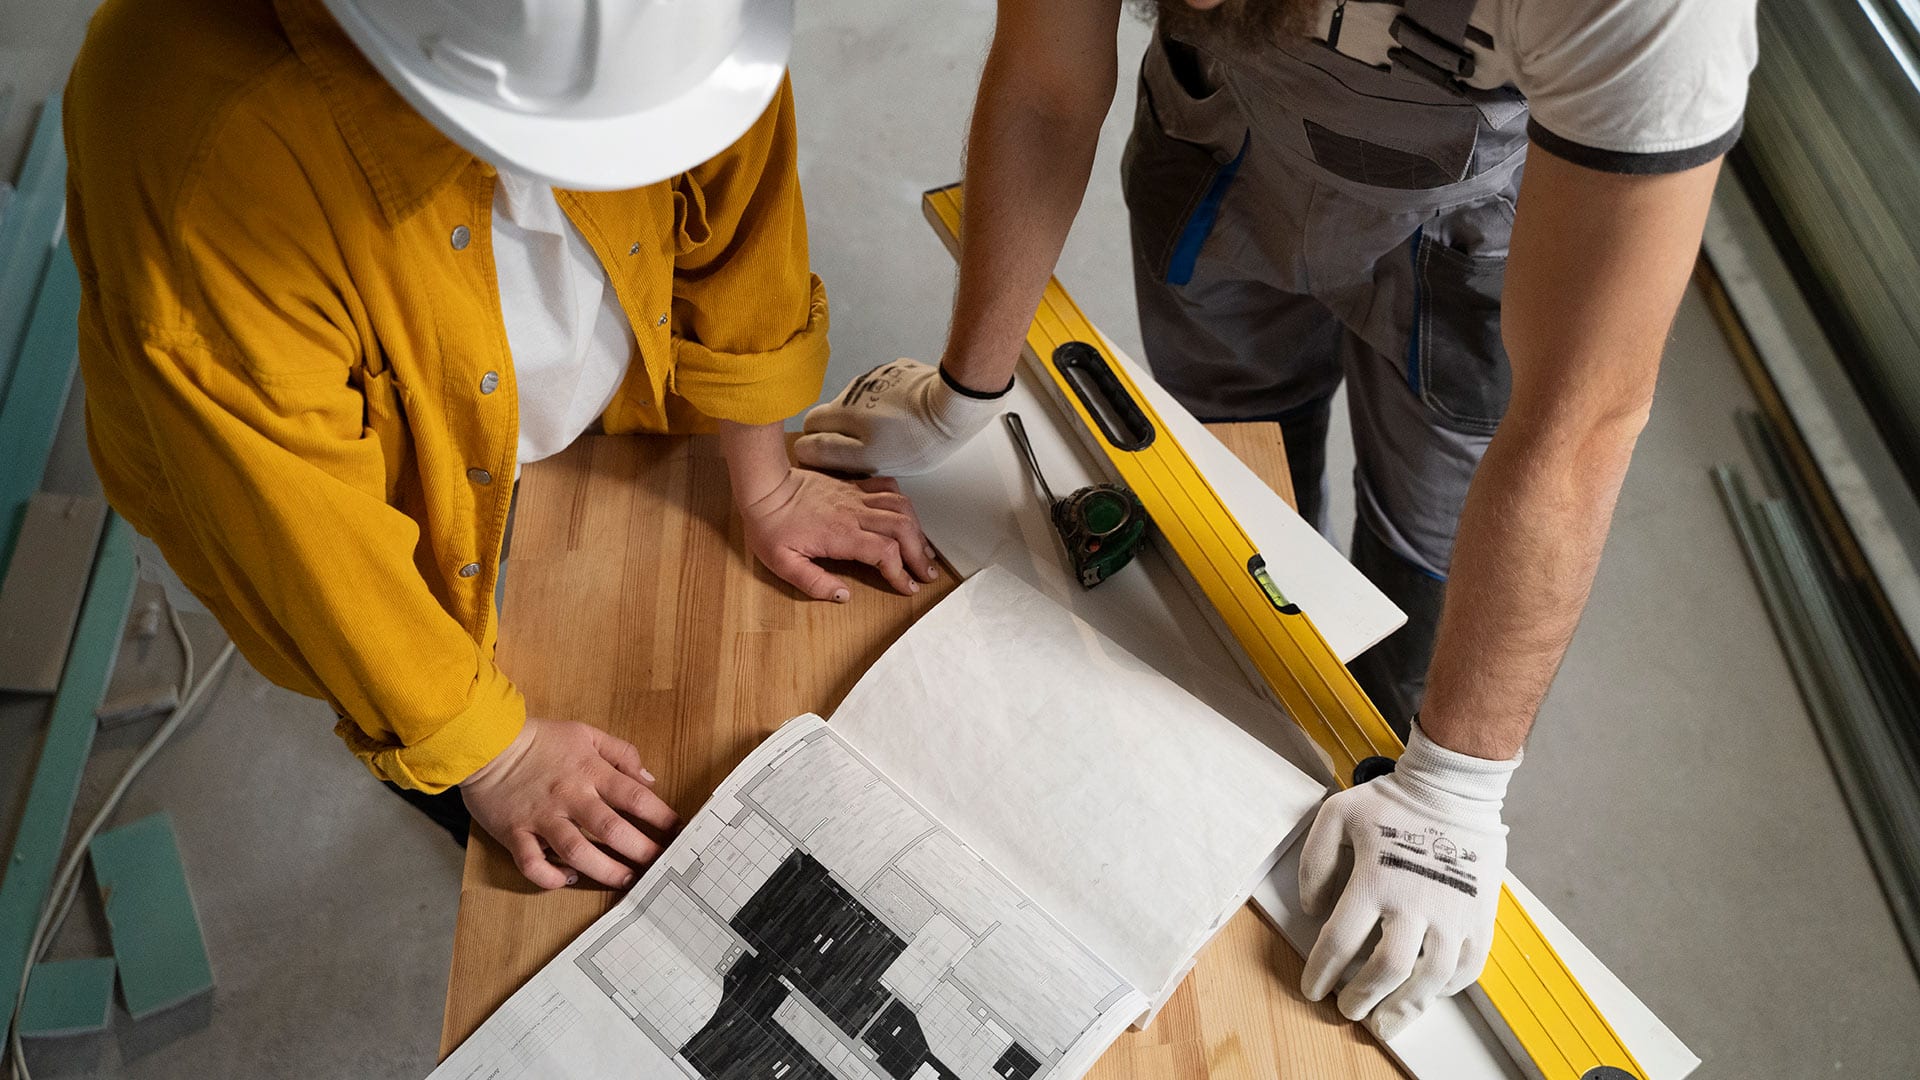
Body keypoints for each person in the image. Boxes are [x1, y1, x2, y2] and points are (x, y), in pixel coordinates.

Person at [797, 0, 1755, 1039]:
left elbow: (1582, 417)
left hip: (1489, 233)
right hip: (1226, 148)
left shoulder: (1651, 12)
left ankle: (1390, 736)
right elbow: (1048, 85)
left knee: (1419, 573)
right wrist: (969, 391)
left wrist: (1451, 792)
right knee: (1233, 480)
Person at [64, 0, 938, 893]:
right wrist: (497, 759)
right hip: (296, 485)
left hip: (531, 394)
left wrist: (767, 484)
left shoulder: (678, 26)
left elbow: (739, 204)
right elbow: (312, 549)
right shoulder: (200, 155)